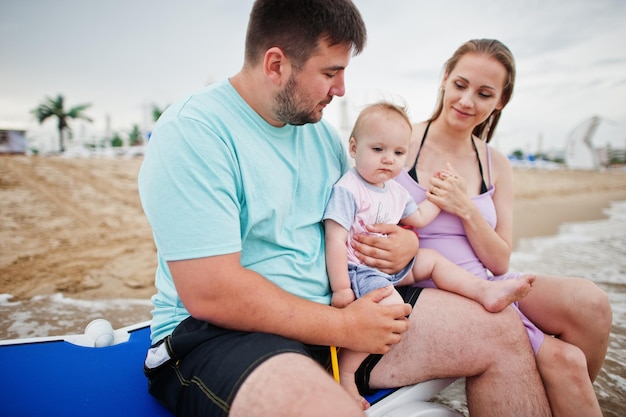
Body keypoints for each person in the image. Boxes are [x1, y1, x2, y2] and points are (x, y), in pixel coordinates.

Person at [138, 2, 551, 416]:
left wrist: (406, 243)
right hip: (222, 335)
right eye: (330, 72)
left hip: (339, 314)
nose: (341, 89)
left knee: (502, 331)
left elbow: (368, 216)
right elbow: (213, 294)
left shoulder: (320, 136)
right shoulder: (194, 133)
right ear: (276, 64)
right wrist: (345, 327)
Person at [394, 38, 611, 417]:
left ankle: (538, 396)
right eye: (460, 85)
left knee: (591, 305)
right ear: (444, 78)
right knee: (564, 361)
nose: (466, 101)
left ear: (501, 101)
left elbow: (499, 261)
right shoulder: (399, 143)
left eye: (484, 93)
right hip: (432, 287)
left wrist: (466, 208)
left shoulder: (495, 162)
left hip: (488, 278)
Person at [323, 101, 536, 408]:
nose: (388, 160)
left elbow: (419, 218)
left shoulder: (394, 191)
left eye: (398, 153)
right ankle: (345, 371)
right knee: (393, 309)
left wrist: (438, 195)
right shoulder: (349, 188)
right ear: (354, 148)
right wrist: (342, 288)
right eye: (378, 149)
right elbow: (335, 238)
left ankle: (486, 290)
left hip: (390, 268)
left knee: (433, 260)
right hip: (360, 268)